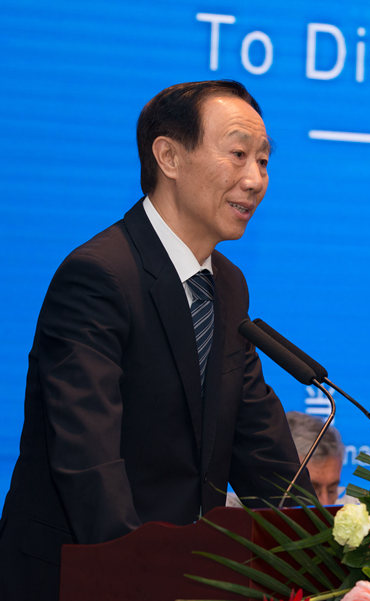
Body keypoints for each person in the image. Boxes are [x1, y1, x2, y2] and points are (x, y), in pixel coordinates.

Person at [0, 80, 312, 601]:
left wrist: (324, 551)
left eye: (263, 161)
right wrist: (143, 575)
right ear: (168, 155)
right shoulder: (100, 275)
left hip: (178, 575)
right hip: (79, 577)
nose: (255, 179)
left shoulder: (227, 285)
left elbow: (261, 447)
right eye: (238, 154)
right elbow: (87, 459)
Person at [228, 411, 344, 507]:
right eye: (311, 490)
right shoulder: (223, 521)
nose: (325, 503)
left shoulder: (352, 520)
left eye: (332, 490)